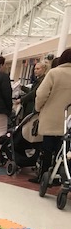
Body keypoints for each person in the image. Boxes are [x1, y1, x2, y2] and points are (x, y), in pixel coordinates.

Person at [33, 48, 71, 184]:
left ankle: (44, 176)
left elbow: (41, 94)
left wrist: (38, 108)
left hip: (51, 117)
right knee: (64, 150)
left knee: (47, 148)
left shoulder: (54, 73)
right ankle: (61, 175)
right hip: (68, 120)